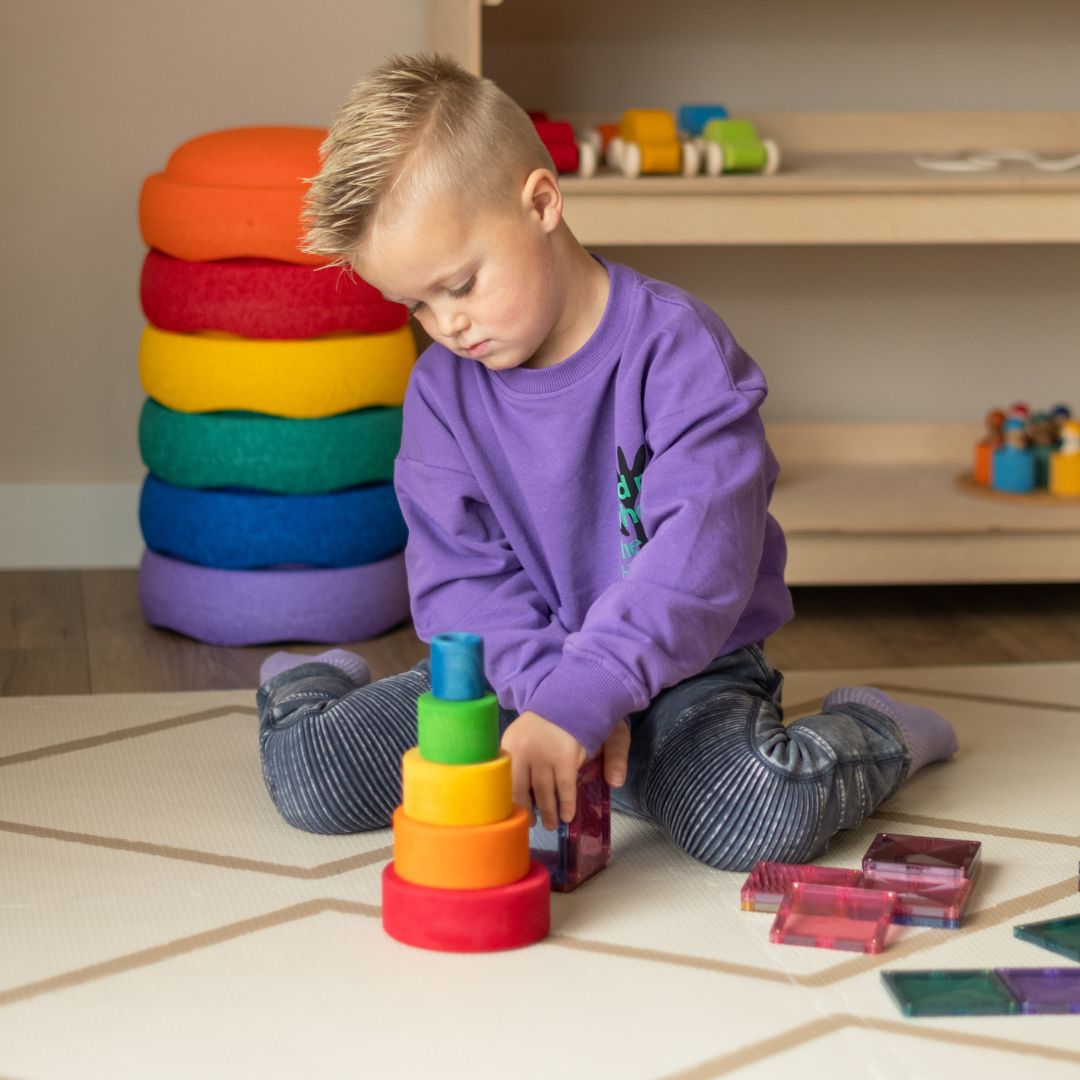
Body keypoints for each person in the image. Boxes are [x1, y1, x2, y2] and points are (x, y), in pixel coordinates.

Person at [256, 53, 957, 870]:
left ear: (543, 202)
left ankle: (876, 729)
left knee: (757, 814)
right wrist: (548, 699)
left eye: (462, 284)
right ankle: (305, 684)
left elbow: (701, 564)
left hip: (683, 671)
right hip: (515, 671)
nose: (447, 324)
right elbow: (460, 582)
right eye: (417, 304)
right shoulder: (442, 391)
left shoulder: (678, 350)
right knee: (314, 778)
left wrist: (588, 699)